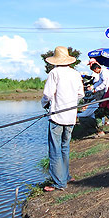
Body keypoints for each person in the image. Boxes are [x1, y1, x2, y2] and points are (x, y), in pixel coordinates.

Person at [41, 46, 84, 191]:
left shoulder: (54, 73)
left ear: (56, 60)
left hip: (57, 117)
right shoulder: (75, 74)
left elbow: (47, 94)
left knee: (55, 149)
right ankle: (65, 176)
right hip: (71, 117)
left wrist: (44, 104)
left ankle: (59, 182)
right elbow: (81, 94)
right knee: (65, 147)